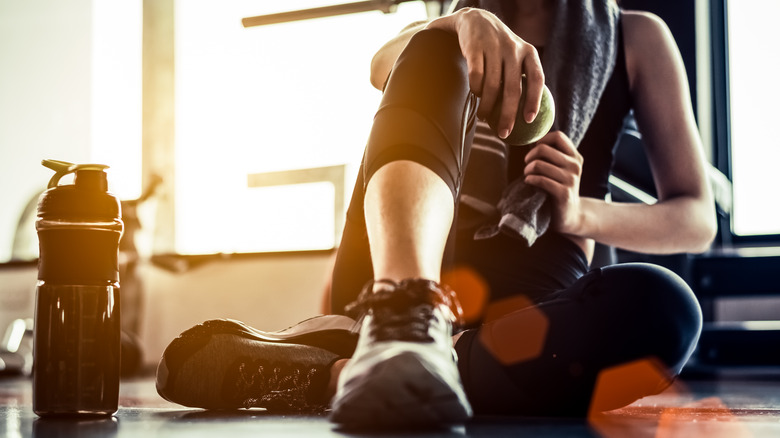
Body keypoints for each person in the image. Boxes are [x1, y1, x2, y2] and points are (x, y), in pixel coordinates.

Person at [154, 0, 716, 428]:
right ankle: (405, 320)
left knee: (665, 311)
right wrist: (458, 22)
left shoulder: (637, 36)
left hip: (530, 303)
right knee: (431, 45)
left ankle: (340, 374)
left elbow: (695, 217)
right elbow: (380, 65)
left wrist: (578, 215)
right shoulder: (452, 16)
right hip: (398, 267)